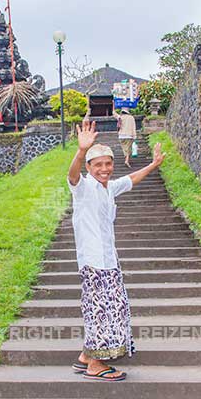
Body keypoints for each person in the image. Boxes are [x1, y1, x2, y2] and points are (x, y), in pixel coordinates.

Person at [66, 119, 165, 381]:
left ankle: (86, 356)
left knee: (112, 306)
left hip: (109, 260)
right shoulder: (84, 187)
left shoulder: (108, 188)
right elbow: (72, 176)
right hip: (94, 262)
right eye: (98, 165)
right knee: (102, 309)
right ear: (89, 167)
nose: (104, 169)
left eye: (108, 164)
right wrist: (81, 151)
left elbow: (130, 179)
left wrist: (153, 165)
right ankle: (96, 365)